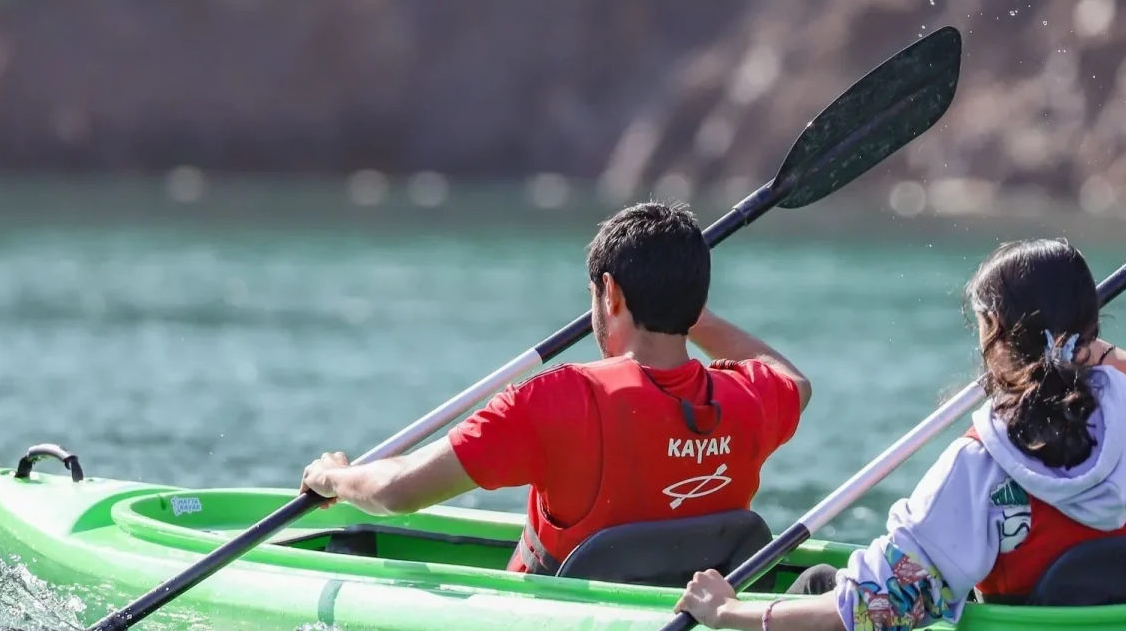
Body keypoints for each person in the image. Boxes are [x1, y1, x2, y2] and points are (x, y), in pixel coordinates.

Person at [672, 237, 1126, 631]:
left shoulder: (981, 464)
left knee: (826, 579)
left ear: (993, 328)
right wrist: (1093, 352)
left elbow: (870, 613)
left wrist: (728, 612)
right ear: (1090, 331)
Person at [299, 200, 812, 575]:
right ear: (697, 298)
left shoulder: (558, 400)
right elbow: (794, 381)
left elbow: (398, 491)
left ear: (608, 293)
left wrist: (335, 478)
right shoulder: (751, 398)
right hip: (694, 614)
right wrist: (688, 309)